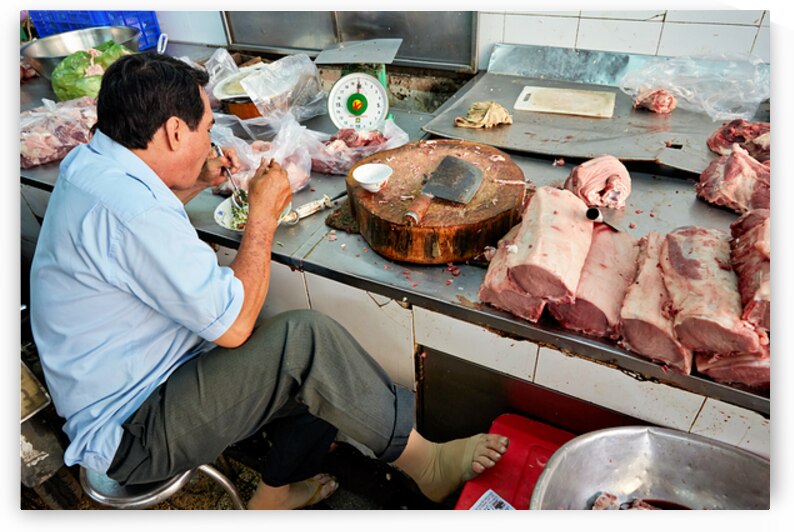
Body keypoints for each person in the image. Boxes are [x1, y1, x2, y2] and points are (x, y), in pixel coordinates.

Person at [29, 52, 508, 510]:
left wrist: (192, 182)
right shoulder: (132, 211)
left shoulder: (95, 164)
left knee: (310, 349)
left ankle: (273, 493)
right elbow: (234, 326)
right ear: (175, 131)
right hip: (130, 432)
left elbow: (139, 239)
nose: (210, 141)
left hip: (138, 378)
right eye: (207, 129)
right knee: (304, 340)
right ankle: (428, 466)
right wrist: (261, 214)